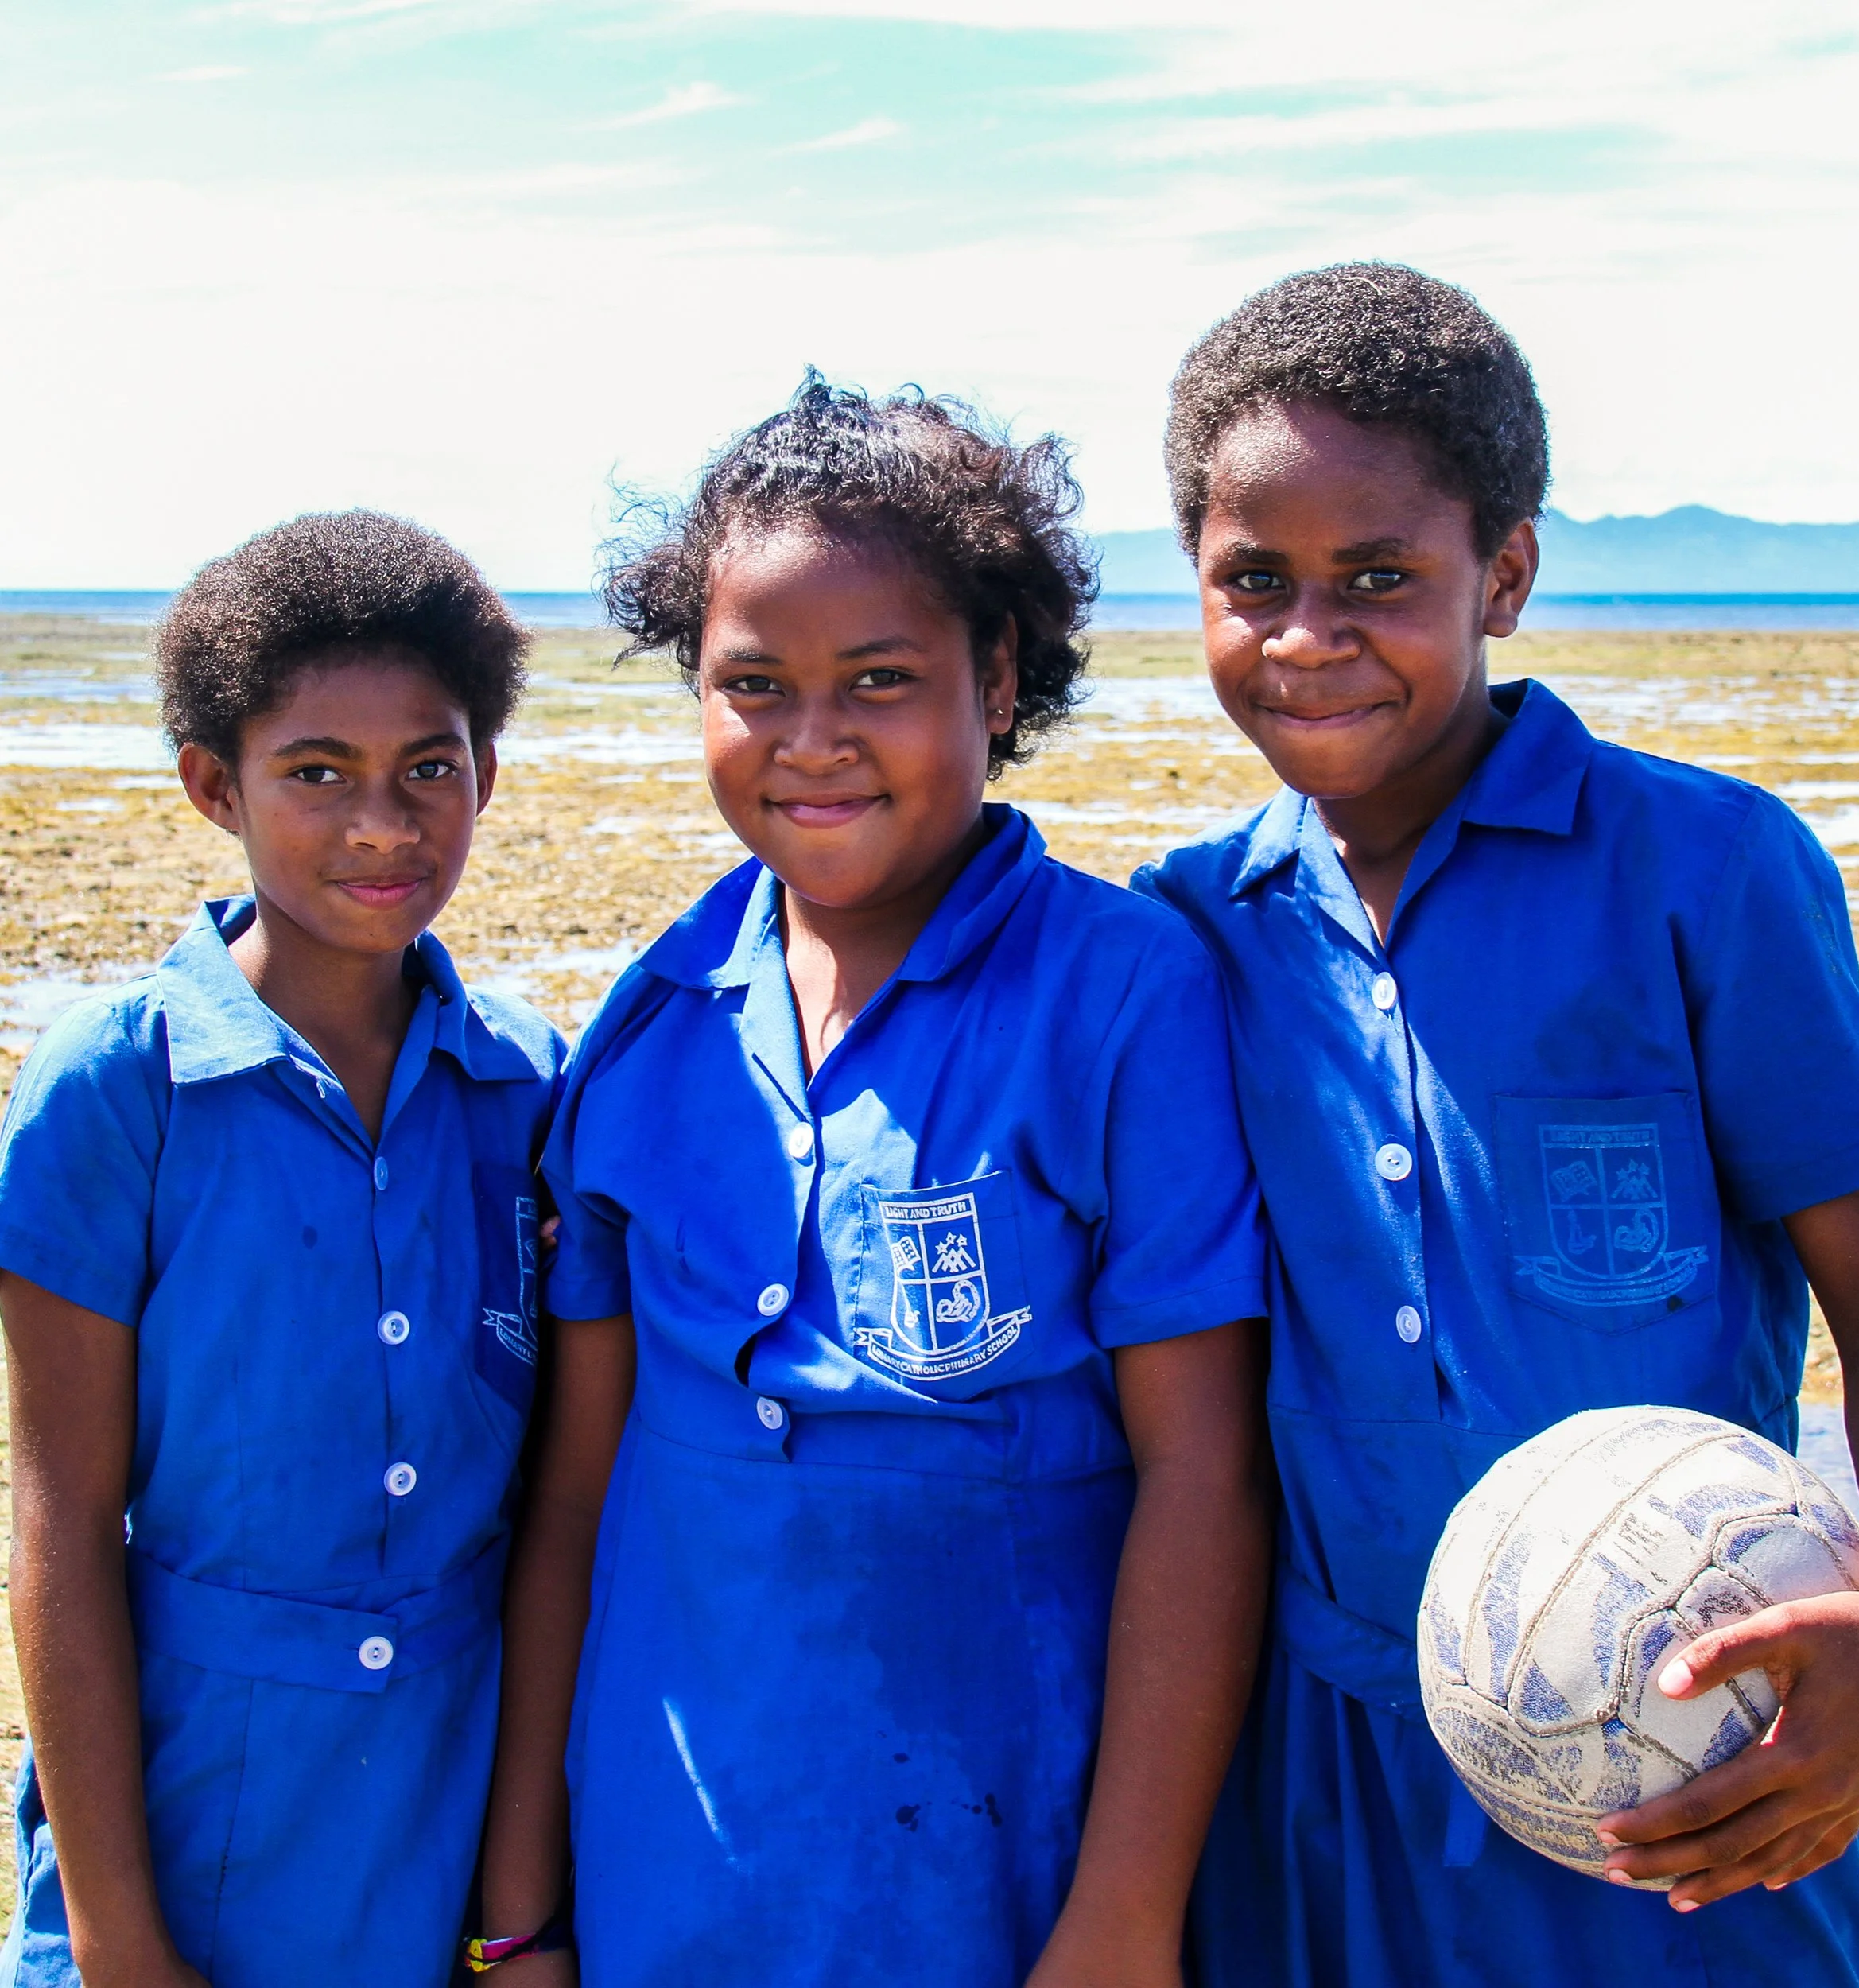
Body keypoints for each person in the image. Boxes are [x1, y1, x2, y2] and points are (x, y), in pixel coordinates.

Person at [1137, 264, 1859, 1987]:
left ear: (1502, 574)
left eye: (1377, 577)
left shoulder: (1704, 873)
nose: (1306, 635)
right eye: (1253, 582)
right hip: (1312, 1779)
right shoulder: (1187, 933)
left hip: (1687, 1770)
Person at [475, 377, 1271, 1987]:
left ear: (994, 674)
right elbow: (573, 1496)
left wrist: (1121, 1914)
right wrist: (517, 1912)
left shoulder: (1120, 994)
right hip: (670, 1871)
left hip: (1006, 1876)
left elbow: (1202, 1476)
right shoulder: (649, 1022)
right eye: (752, 682)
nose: (813, 738)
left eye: (881, 680)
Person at [0, 512, 565, 1988]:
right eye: (317, 774)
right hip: (184, 1812)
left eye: (428, 768)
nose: (384, 823)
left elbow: (546, 1515)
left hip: (446, 1801)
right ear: (213, 786)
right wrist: (121, 1939)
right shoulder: (113, 1087)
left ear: (484, 778)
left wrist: (519, 1920)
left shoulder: (527, 1086)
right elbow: (60, 1526)